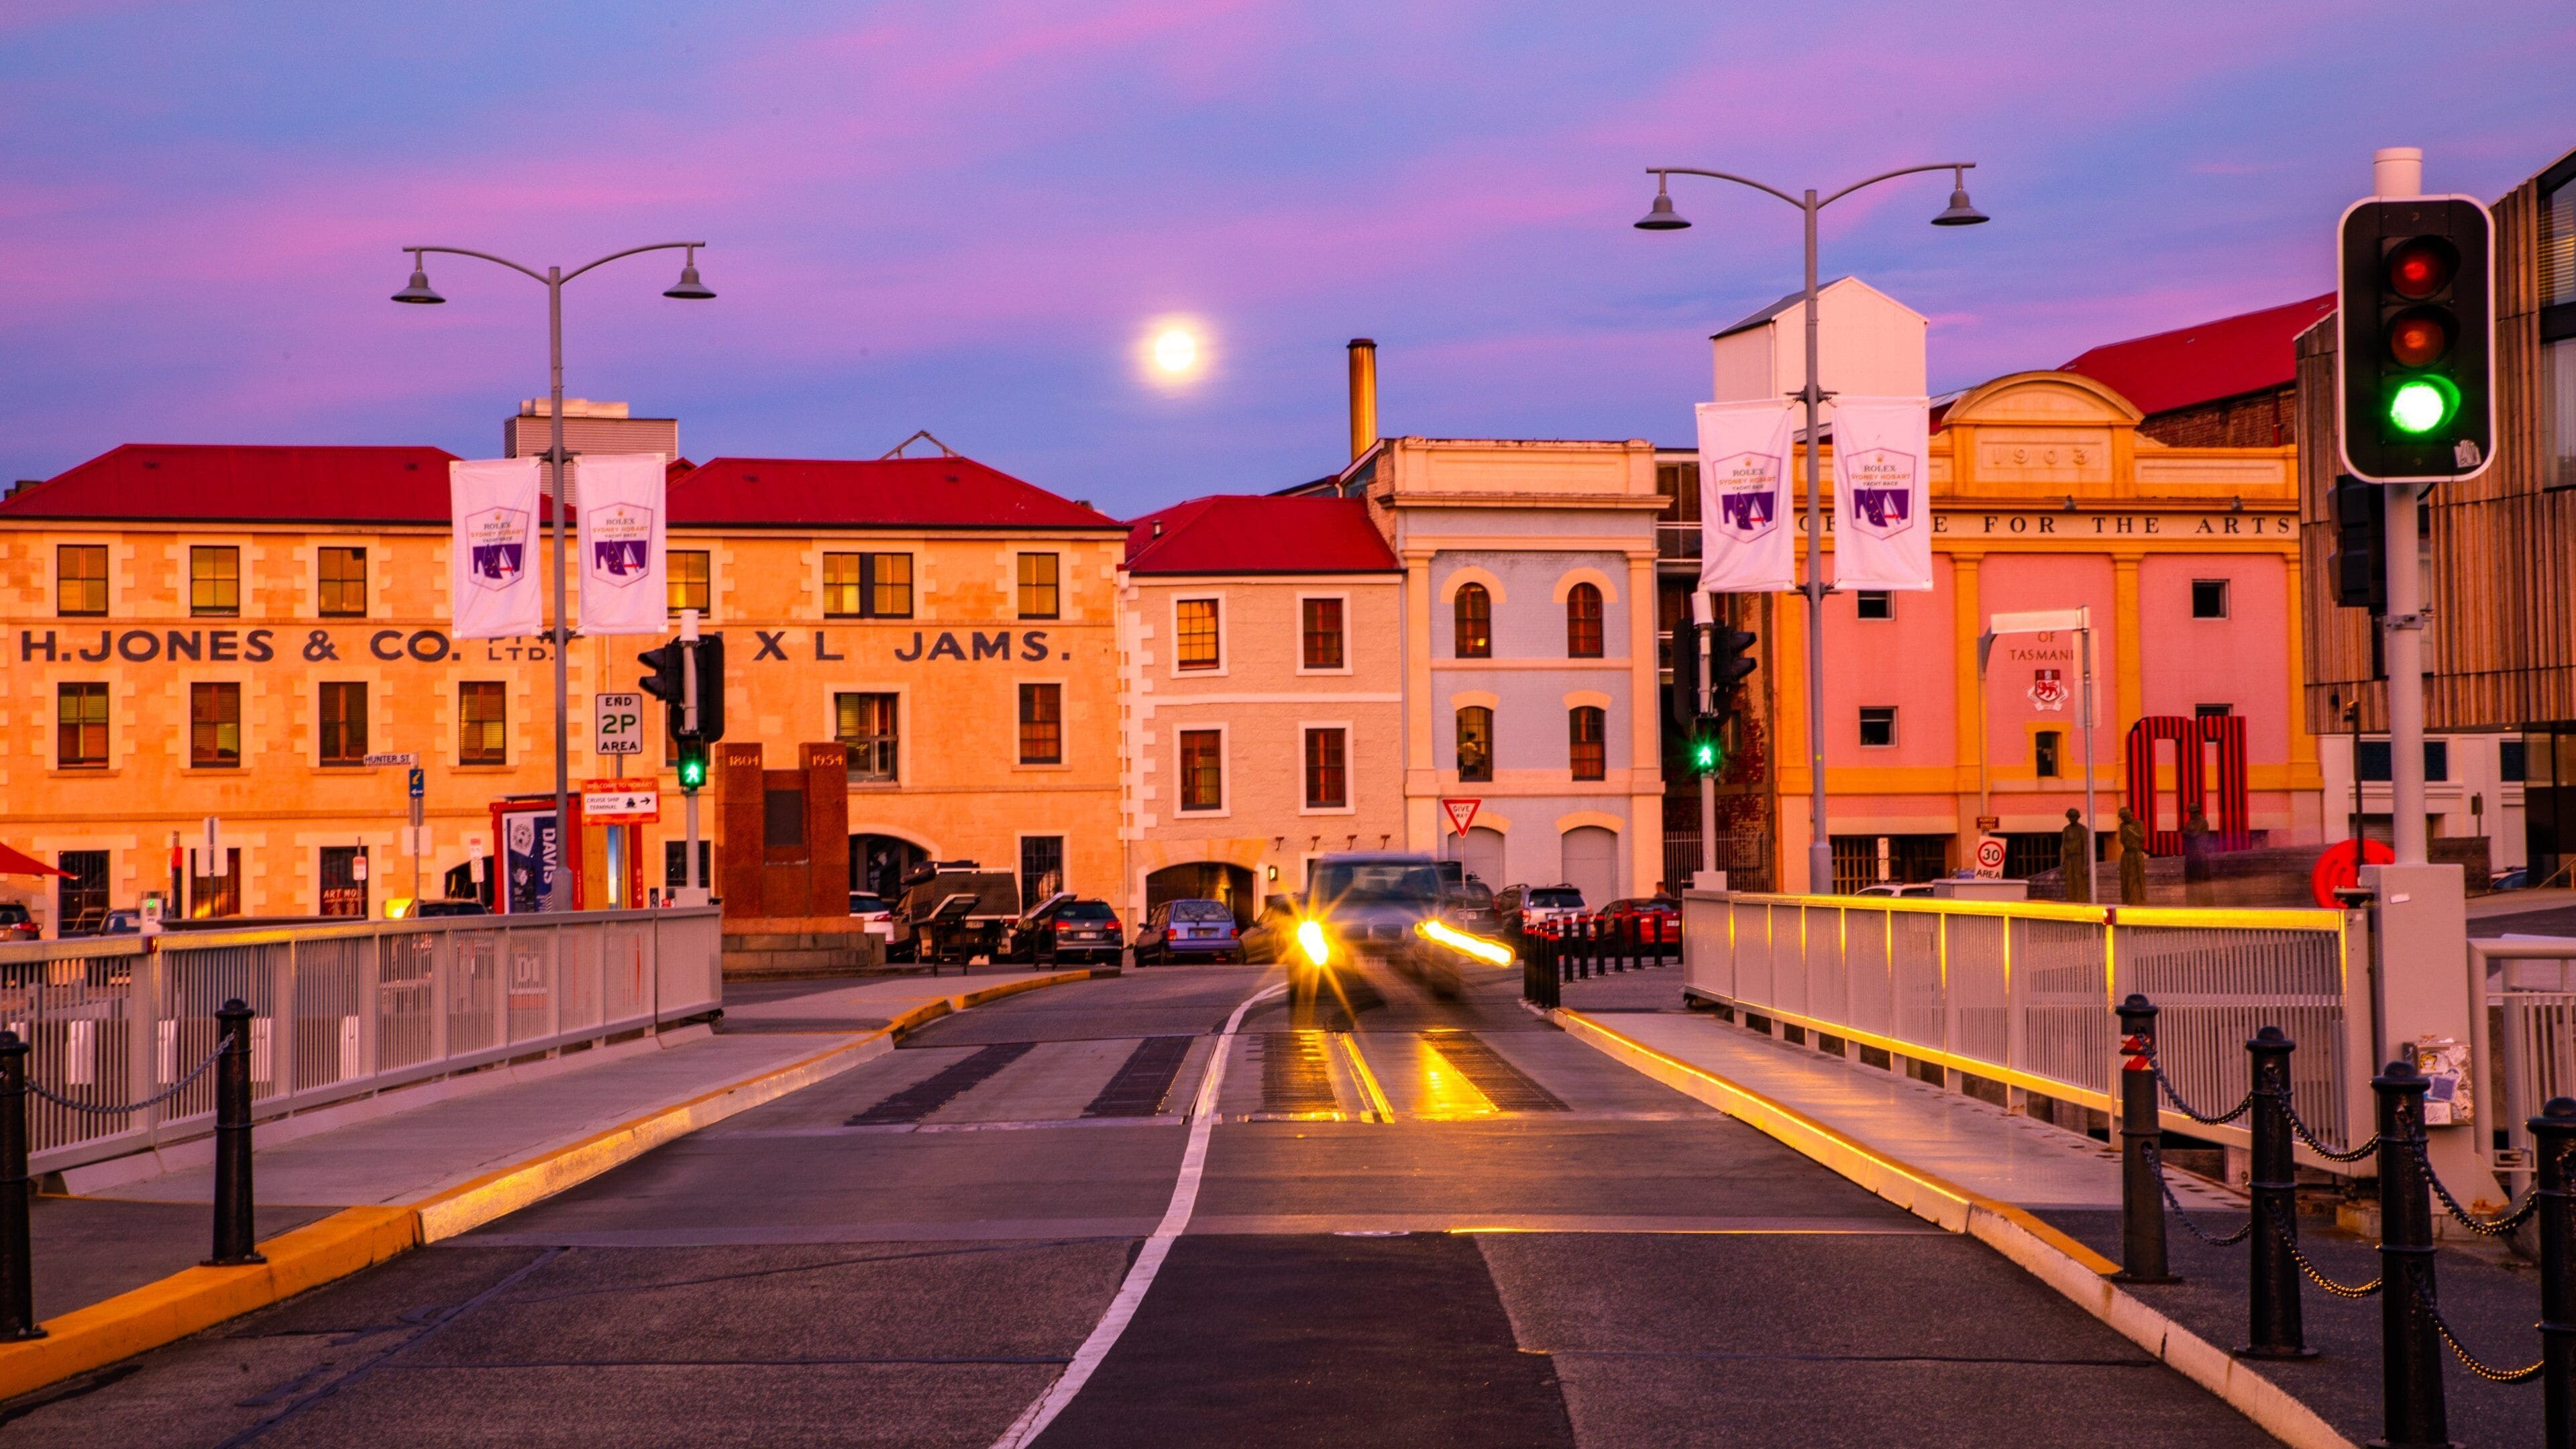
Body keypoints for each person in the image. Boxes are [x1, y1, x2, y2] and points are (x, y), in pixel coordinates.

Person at [2059, 808, 2092, 904]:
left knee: (2080, 883)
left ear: (2077, 817)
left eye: (2074, 817)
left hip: (2079, 859)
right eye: (2070, 817)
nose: (2072, 819)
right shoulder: (2066, 829)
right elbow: (2063, 846)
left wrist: (2085, 864)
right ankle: (2071, 901)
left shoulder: (2082, 829)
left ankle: (2081, 902)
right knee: (2070, 883)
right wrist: (2062, 862)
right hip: (2069, 860)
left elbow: (2086, 847)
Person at [2117, 807, 2148, 905]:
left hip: (2136, 854)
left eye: (2125, 817)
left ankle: (2139, 901)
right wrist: (2126, 833)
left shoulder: (2138, 823)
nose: (2124, 820)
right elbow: (2122, 840)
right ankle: (2127, 901)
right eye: (2122, 818)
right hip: (2127, 854)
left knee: (2136, 879)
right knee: (2126, 879)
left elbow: (2142, 838)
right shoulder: (2122, 826)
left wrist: (2131, 831)